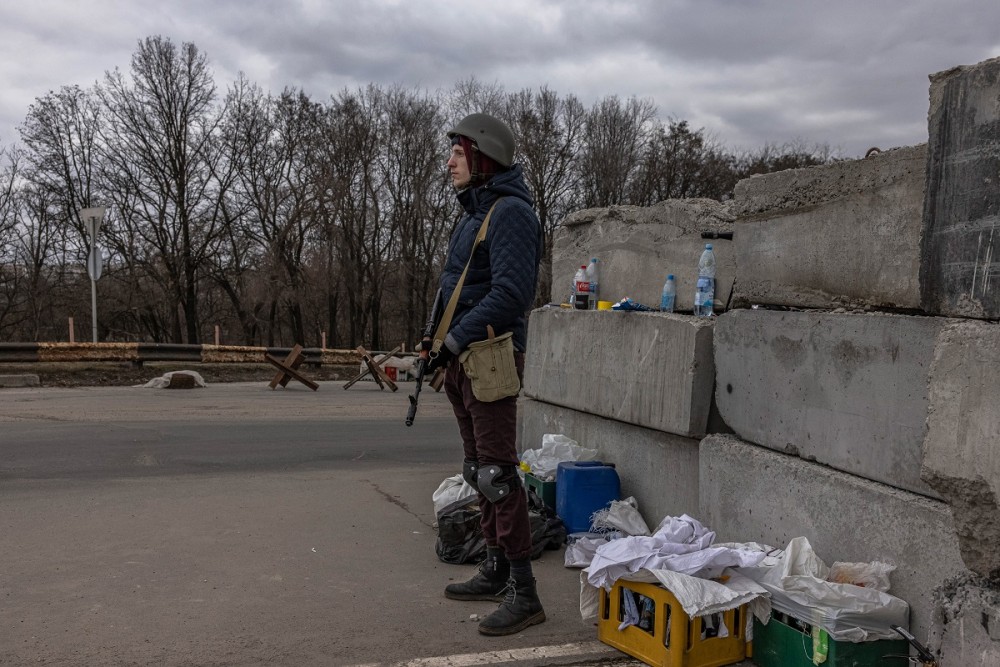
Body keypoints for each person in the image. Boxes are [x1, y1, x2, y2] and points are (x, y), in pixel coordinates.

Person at [424, 112, 544, 636]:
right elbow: (457, 287)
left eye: (457, 152)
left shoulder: (511, 214)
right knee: (476, 469)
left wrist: (453, 339)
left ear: (483, 156)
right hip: (463, 358)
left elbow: (512, 294)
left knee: (497, 475)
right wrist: (434, 344)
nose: (449, 162)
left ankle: (525, 591)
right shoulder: (476, 212)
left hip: (490, 355)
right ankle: (495, 567)